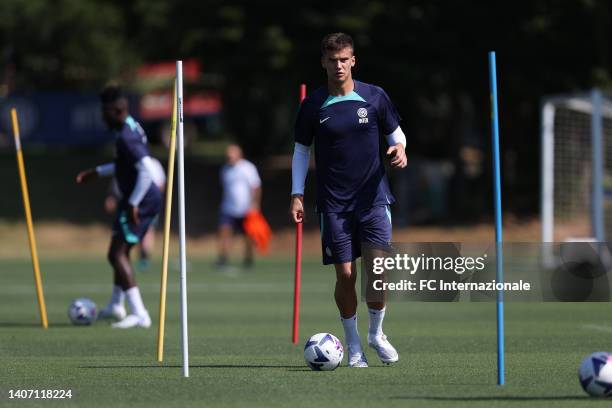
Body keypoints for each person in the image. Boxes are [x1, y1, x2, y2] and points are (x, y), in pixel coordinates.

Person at [290, 33, 407, 367]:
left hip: (373, 200)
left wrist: (400, 150)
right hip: (334, 204)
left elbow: (396, 135)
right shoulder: (313, 105)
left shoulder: (374, 96)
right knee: (345, 276)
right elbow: (301, 150)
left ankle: (376, 334)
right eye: (332, 60)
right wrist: (296, 193)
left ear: (353, 60)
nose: (338, 65)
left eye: (344, 59)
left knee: (378, 272)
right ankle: (353, 345)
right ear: (323, 62)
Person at [76, 84, 162, 329]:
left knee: (117, 254)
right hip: (134, 198)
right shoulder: (129, 126)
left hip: (141, 200)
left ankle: (140, 313)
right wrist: (98, 172)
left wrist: (134, 202)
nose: (102, 117)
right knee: (117, 252)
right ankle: (116, 305)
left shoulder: (127, 136)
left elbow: (146, 169)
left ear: (116, 110)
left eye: (104, 111)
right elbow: (126, 166)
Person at [104, 157, 166, 270]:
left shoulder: (148, 163)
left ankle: (142, 258)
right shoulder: (136, 162)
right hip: (140, 202)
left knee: (146, 231)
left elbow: (160, 184)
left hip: (144, 202)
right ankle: (140, 257)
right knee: (140, 231)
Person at [217, 144, 262, 268]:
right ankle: (223, 259)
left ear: (239, 155)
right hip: (228, 208)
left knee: (248, 236)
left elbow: (256, 187)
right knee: (224, 232)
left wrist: (255, 204)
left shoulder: (248, 168)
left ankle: (248, 259)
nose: (229, 158)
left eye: (232, 155)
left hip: (246, 209)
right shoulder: (225, 169)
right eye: (228, 156)